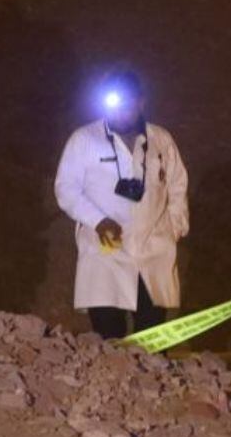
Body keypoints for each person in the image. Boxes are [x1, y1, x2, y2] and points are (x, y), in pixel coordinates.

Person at [54, 71, 189, 339]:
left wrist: (173, 230)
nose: (120, 111)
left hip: (153, 251)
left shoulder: (161, 140)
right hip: (105, 252)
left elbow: (177, 187)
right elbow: (66, 189)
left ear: (140, 102)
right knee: (108, 337)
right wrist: (98, 220)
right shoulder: (84, 139)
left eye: (127, 102)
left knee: (152, 340)